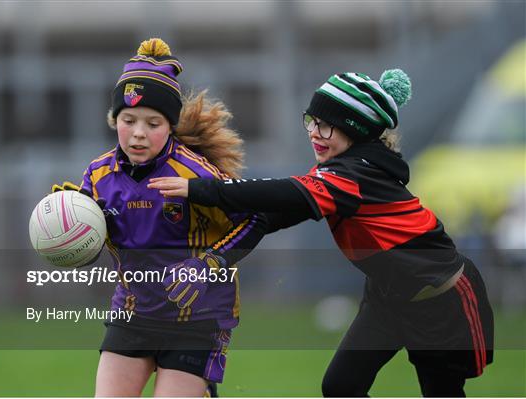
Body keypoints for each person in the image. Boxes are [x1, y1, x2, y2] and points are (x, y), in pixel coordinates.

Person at [148, 69, 494, 397]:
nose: (315, 132)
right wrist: (216, 256)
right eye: (312, 121)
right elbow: (270, 217)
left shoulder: (354, 177)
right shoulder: (337, 173)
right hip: (388, 300)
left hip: (440, 301)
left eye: (327, 126)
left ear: (355, 131)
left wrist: (203, 189)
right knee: (341, 387)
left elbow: (283, 192)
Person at [53, 38, 266, 397]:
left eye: (153, 122)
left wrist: (210, 263)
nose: (138, 133)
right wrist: (70, 223)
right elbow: (89, 242)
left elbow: (254, 219)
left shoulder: (196, 173)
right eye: (128, 120)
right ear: (113, 120)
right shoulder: (98, 175)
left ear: (170, 125)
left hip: (197, 319)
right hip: (134, 313)